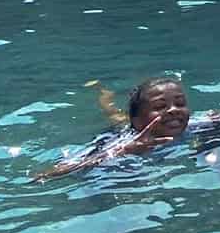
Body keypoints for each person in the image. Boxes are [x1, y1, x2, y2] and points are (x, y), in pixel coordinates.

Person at [34, 76, 192, 179]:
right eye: (160, 106)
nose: (173, 110)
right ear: (136, 121)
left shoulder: (194, 125)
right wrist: (123, 152)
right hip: (122, 136)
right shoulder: (119, 144)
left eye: (180, 103)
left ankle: (103, 93)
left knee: (116, 115)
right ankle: (102, 94)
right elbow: (46, 174)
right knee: (116, 117)